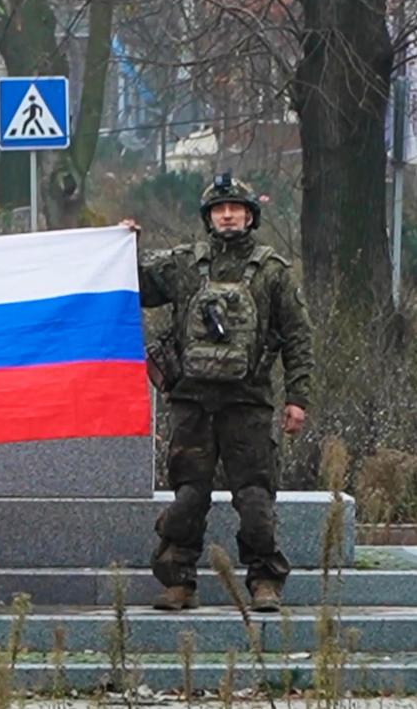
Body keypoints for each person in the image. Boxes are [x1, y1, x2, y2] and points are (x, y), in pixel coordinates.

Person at [120, 172, 313, 613]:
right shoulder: (183, 264)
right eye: (220, 209)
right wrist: (125, 245)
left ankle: (265, 581)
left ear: (250, 216)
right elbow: (133, 287)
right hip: (191, 402)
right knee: (188, 496)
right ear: (209, 217)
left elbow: (299, 337)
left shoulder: (272, 273)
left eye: (236, 209)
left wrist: (297, 398)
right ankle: (177, 582)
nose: (228, 215)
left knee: (255, 497)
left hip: (248, 403)